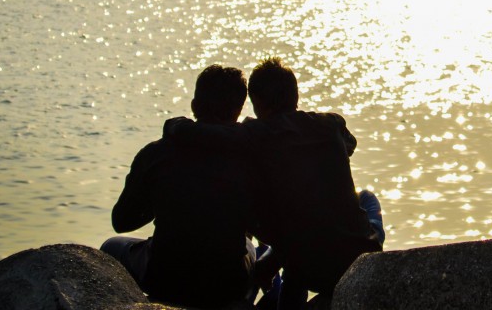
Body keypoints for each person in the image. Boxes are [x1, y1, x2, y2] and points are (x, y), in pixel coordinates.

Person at [165, 57, 383, 309]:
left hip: (305, 263)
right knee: (365, 198)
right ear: (295, 95)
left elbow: (200, 133)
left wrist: (174, 124)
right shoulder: (330, 124)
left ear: (257, 103)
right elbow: (350, 145)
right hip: (358, 262)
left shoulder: (255, 134)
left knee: (297, 230)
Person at [101, 65, 256, 308]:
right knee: (250, 245)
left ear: (194, 106)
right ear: (238, 110)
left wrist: (163, 200)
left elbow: (122, 222)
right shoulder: (252, 156)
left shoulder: (156, 153)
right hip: (227, 284)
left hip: (164, 278)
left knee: (111, 246)